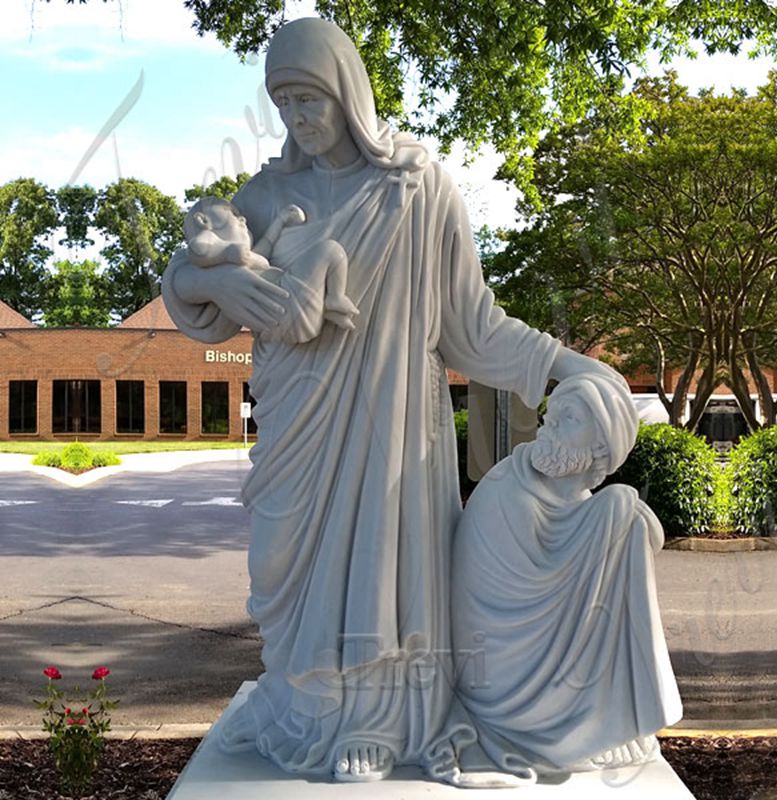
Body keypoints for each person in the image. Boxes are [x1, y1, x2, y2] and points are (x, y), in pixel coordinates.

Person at [162, 16, 619, 783]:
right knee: (282, 564)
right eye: (283, 103)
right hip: (293, 425)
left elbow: (474, 328)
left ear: (347, 90)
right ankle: (298, 707)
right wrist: (212, 279)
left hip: (391, 425)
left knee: (381, 565)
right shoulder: (268, 193)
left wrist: (568, 367)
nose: (298, 119)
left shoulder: (415, 187)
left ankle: (377, 721)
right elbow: (190, 284)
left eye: (310, 98)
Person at [450, 374, 683, 779]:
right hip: (497, 672)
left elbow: (643, 540)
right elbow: (525, 597)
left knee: (622, 514)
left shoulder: (581, 503)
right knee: (620, 509)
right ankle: (583, 720)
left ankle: (601, 713)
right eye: (551, 414)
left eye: (568, 418)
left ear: (601, 445)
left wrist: (619, 513)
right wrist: (617, 510)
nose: (549, 425)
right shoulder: (509, 487)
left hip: (542, 663)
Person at [183, 197, 358, 339]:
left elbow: (266, 244)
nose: (243, 218)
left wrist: (280, 221)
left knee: (330, 252)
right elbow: (197, 250)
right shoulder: (211, 239)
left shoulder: (248, 259)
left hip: (281, 319)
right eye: (233, 213)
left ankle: (331, 308)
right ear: (203, 220)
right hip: (287, 296)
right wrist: (227, 253)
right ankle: (335, 298)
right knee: (329, 250)